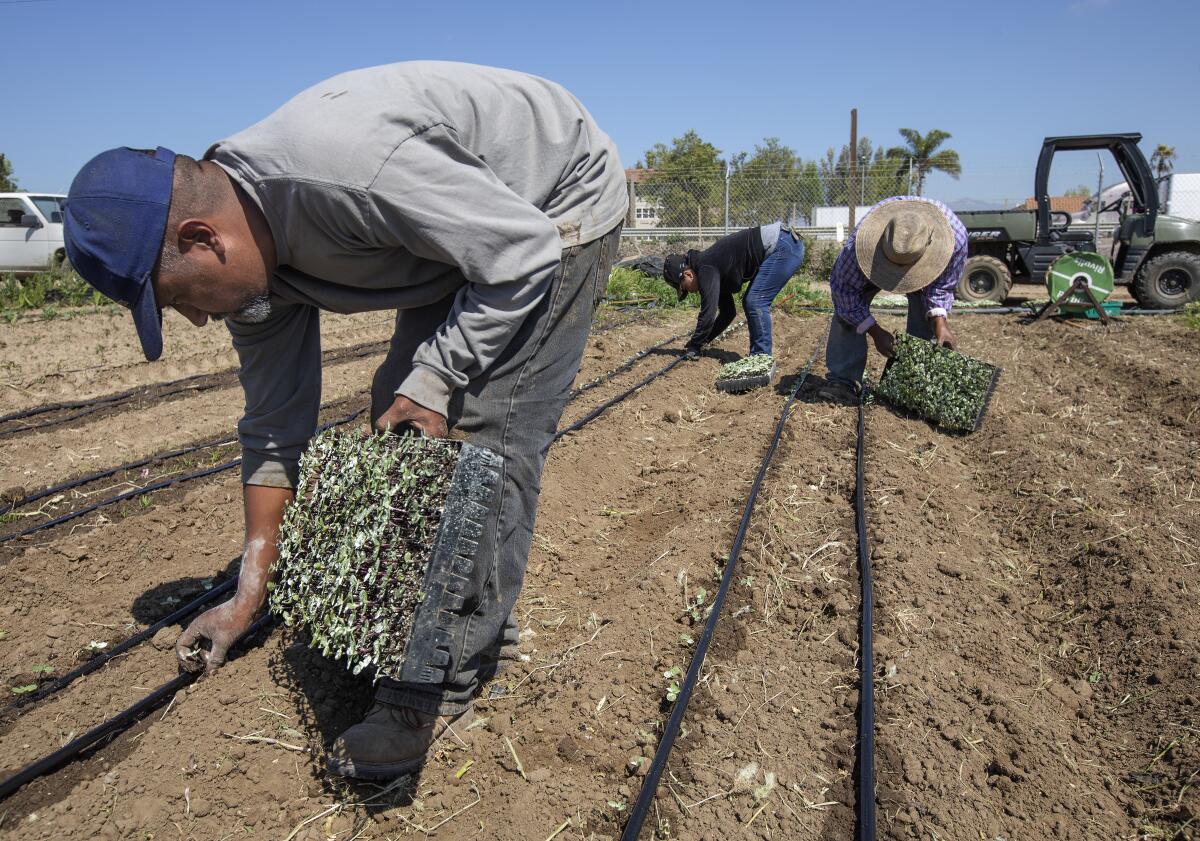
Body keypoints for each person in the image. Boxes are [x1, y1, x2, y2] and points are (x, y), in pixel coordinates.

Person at [61, 61, 627, 780]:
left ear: (205, 240)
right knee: (401, 413)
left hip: (549, 207)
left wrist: (441, 379)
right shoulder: (251, 271)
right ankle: (471, 616)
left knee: (485, 433)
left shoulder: (345, 172)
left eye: (179, 298)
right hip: (460, 236)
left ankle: (437, 687)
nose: (197, 318)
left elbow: (521, 251)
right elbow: (273, 428)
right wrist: (248, 591)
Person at [817, 196, 967, 403]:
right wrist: (876, 332)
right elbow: (845, 294)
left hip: (925, 268)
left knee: (925, 315)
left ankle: (912, 384)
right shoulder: (858, 247)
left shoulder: (955, 240)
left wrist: (940, 322)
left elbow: (940, 288)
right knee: (846, 317)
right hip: (871, 266)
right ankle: (844, 380)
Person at [661, 221, 805, 360]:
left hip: (782, 245)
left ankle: (761, 359)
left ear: (688, 274)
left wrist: (695, 344)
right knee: (752, 300)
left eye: (685, 288)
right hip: (785, 243)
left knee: (755, 301)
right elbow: (728, 313)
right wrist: (703, 340)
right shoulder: (715, 270)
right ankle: (760, 357)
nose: (690, 292)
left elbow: (708, 312)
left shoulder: (706, 269)